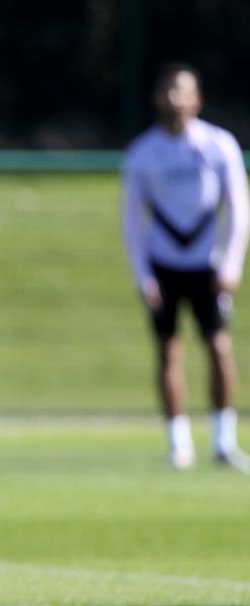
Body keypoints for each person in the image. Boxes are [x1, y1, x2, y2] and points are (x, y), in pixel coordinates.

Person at [122, 62, 250, 471]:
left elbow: (238, 209)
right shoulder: (143, 153)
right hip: (164, 266)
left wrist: (231, 265)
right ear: (156, 98)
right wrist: (143, 275)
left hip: (207, 266)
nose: (175, 99)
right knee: (168, 351)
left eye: (183, 91)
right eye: (167, 90)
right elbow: (132, 221)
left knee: (218, 346)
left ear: (198, 99)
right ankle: (179, 443)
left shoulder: (219, 145)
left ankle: (223, 440)